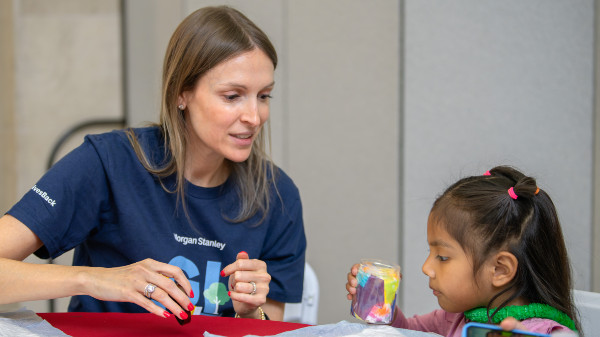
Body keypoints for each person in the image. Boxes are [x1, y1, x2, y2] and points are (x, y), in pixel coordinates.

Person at [0, 5, 305, 322]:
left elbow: (267, 323)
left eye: (264, 96)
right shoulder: (108, 163)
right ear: (181, 94)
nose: (254, 118)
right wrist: (94, 279)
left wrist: (251, 311)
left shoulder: (278, 196)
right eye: (232, 96)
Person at [346, 166, 581, 336]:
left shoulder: (545, 332)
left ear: (499, 269)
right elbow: (406, 333)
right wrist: (379, 304)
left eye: (443, 257)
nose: (426, 268)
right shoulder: (457, 318)